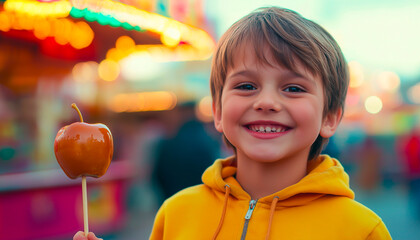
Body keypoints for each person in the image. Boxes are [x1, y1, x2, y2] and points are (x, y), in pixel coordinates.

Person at [74, 6, 391, 240]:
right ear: (218, 111)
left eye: (293, 88)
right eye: (246, 86)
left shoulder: (360, 230)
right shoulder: (176, 214)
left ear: (331, 116)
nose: (266, 102)